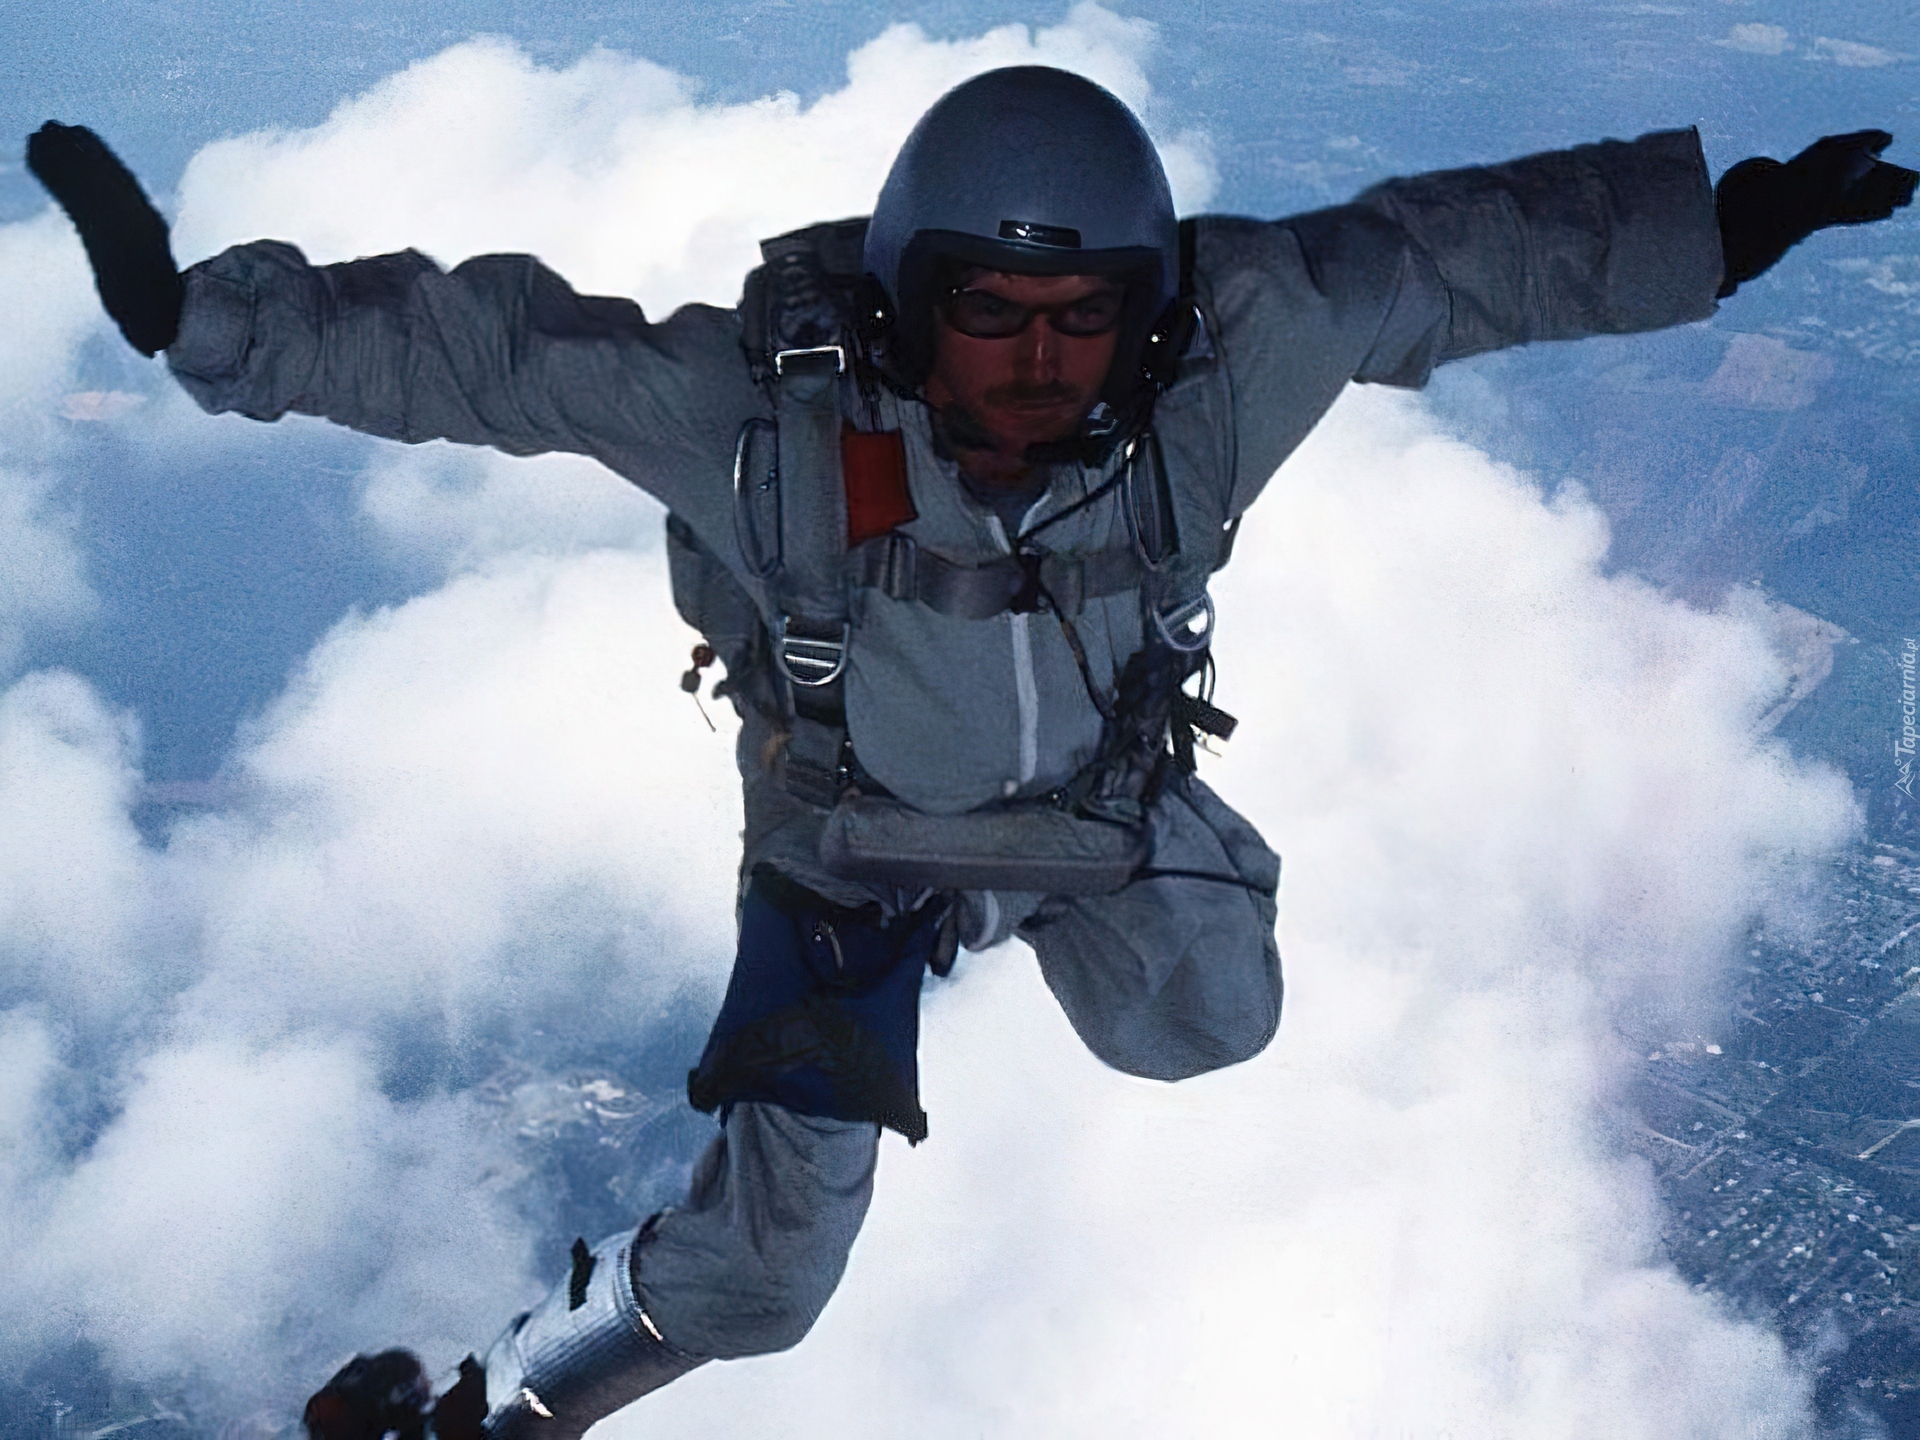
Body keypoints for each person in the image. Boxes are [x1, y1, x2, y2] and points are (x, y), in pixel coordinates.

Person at [28, 67, 1916, 1440]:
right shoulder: (764, 423)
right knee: (765, 1287)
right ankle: (503, 1407)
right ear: (904, 299)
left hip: (1090, 805)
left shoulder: (1220, 372)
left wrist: (1724, 227)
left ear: (1149, 314)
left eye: (1083, 317)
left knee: (1213, 1021)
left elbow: (1446, 259)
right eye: (988, 313)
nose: (1035, 361)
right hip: (850, 854)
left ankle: (998, 907)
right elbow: (490, 355)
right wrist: (213, 323)